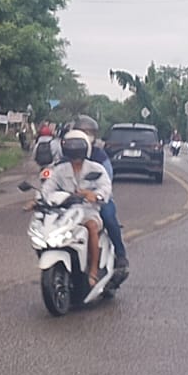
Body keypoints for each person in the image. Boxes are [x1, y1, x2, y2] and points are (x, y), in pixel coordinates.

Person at [40, 130, 112, 285]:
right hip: (65, 212)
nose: (74, 150)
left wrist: (94, 195)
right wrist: (38, 200)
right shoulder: (60, 170)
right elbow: (48, 188)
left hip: (88, 210)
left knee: (91, 227)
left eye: (77, 146)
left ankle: (93, 271)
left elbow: (105, 187)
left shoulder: (96, 168)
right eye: (71, 146)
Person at [71, 115, 129, 271]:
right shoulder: (67, 155)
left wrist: (95, 194)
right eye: (82, 131)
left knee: (109, 217)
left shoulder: (99, 156)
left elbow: (107, 180)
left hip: (97, 200)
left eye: (89, 132)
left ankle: (121, 254)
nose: (86, 135)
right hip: (71, 200)